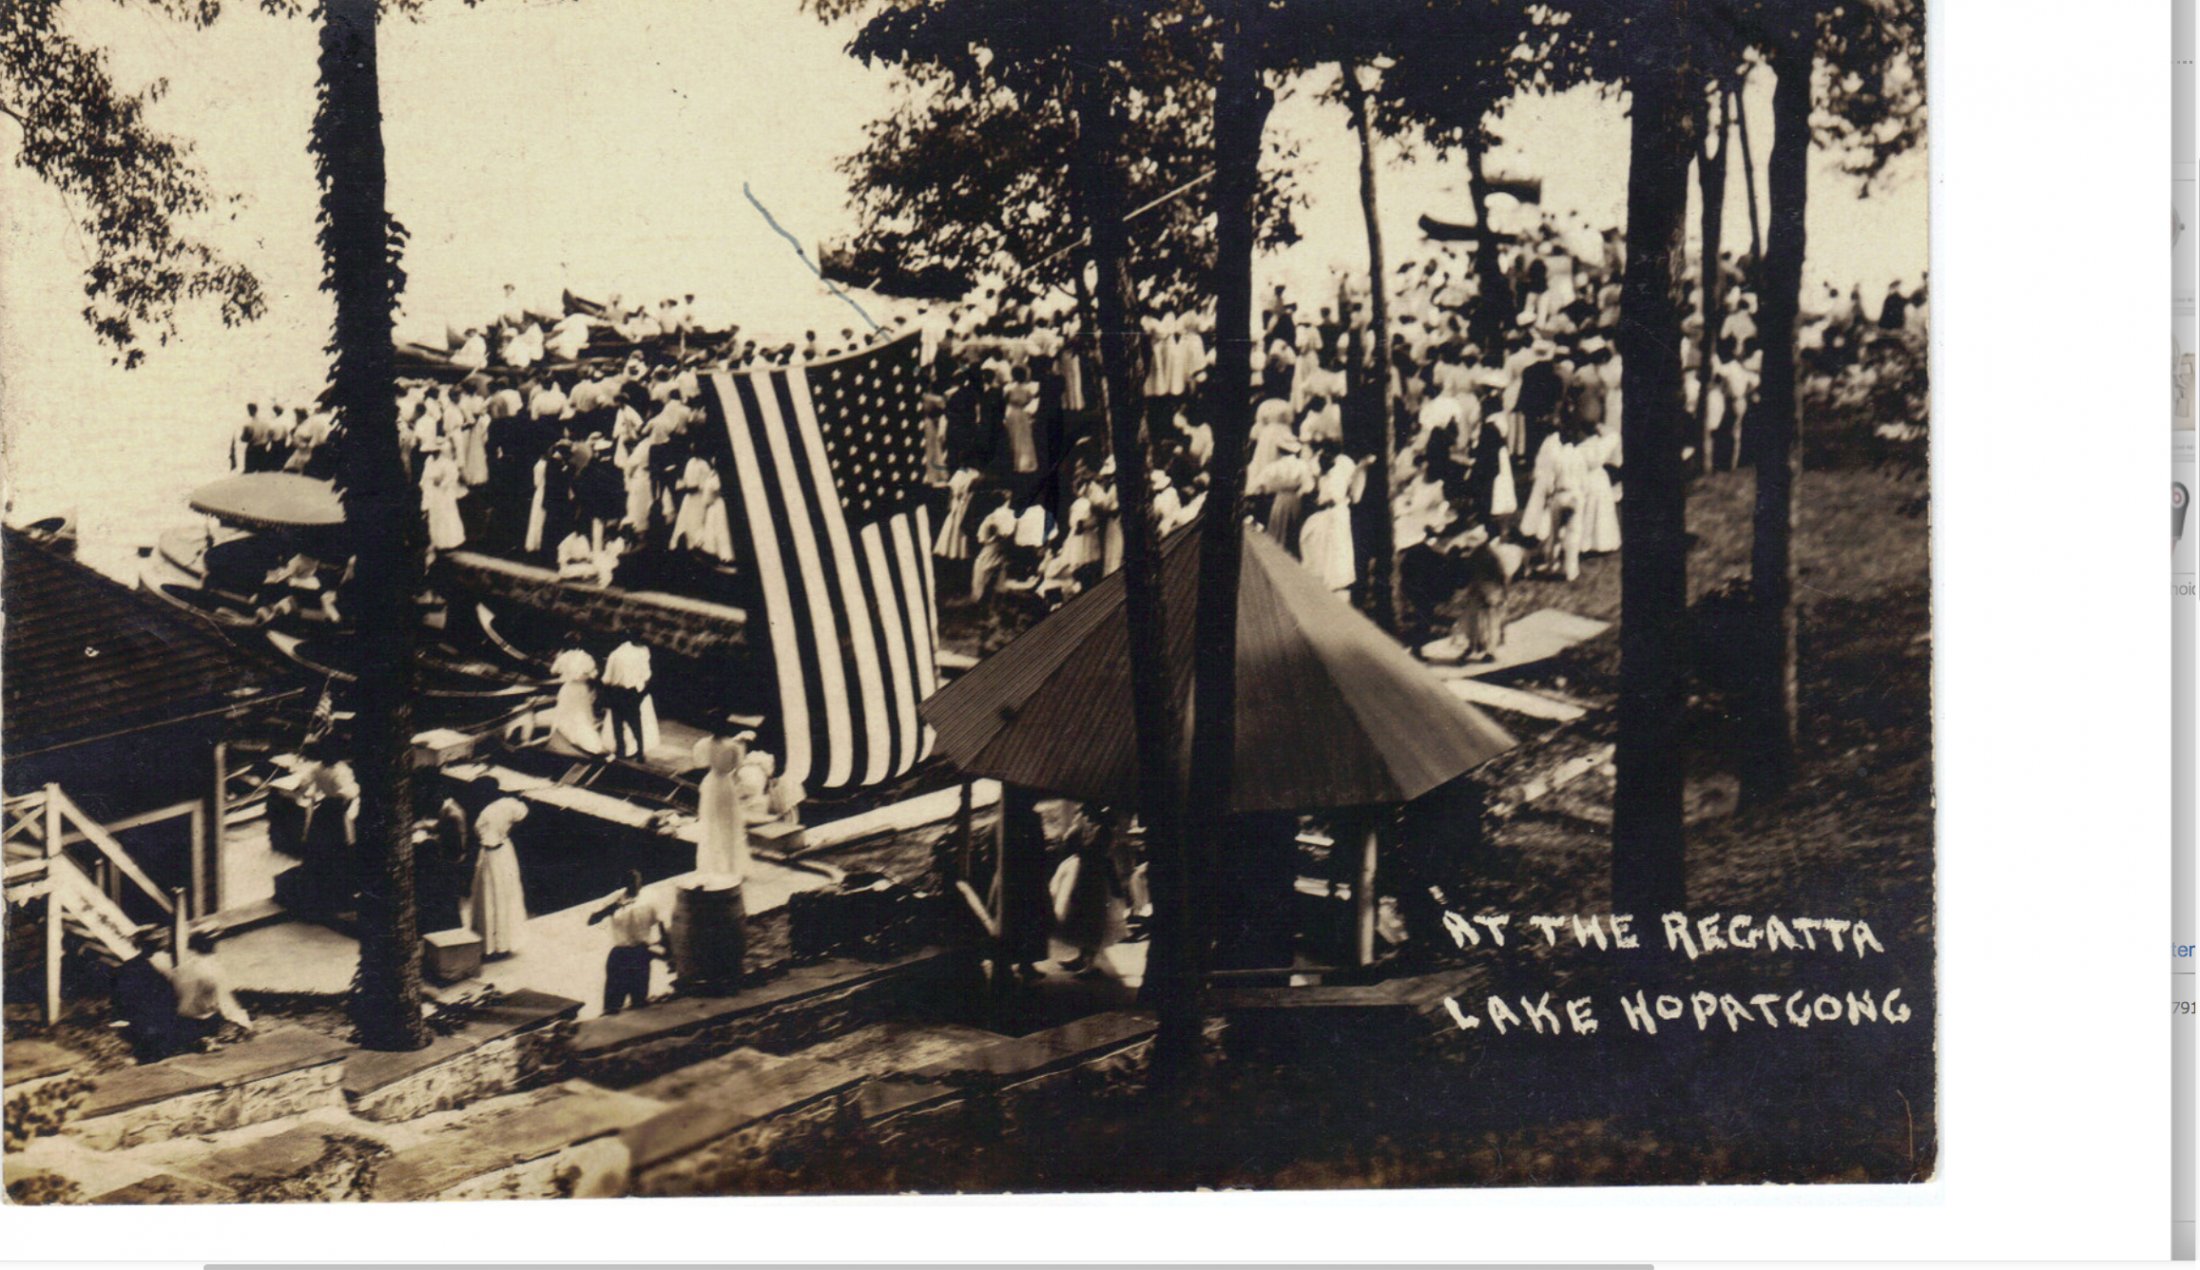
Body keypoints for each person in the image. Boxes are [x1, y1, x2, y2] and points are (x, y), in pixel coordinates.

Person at [1050, 806, 1130, 975]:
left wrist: (1075, 842)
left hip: (1094, 876)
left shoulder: (1104, 830)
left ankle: (1090, 963)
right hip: (1086, 873)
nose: (1084, 816)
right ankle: (1082, 956)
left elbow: (1095, 851)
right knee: (1081, 916)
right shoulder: (1093, 828)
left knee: (1093, 918)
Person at [588, 871, 663, 1016]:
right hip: (620, 953)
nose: (634, 886)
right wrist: (611, 908)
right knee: (612, 1005)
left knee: (639, 1001)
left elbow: (659, 922)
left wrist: (666, 946)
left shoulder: (649, 898)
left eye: (636, 883)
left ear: (640, 883)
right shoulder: (615, 898)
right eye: (630, 883)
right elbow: (591, 920)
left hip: (641, 953)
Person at [469, 794, 530, 957]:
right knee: (499, 896)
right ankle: (498, 942)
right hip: (498, 855)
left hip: (493, 855)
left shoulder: (492, 810)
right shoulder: (509, 809)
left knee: (493, 896)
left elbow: (479, 830)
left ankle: (493, 942)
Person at [169, 932, 253, 1047]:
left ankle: (201, 1038)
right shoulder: (212, 968)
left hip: (182, 1019)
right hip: (207, 1019)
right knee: (241, 1028)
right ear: (213, 946)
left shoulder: (182, 968)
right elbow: (224, 1001)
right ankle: (210, 1036)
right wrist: (243, 1022)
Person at [1296, 444, 1360, 592]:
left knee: (1338, 551)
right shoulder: (1317, 460)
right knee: (1316, 544)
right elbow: (1311, 486)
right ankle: (1322, 584)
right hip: (1326, 512)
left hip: (1338, 512)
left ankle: (1338, 585)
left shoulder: (1345, 463)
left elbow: (1352, 491)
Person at [112, 929, 182, 1063]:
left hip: (143, 1025)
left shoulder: (127, 967)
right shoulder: (166, 964)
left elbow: (120, 999)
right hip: (161, 1023)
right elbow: (175, 993)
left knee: (148, 1059)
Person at [691, 734, 752, 881]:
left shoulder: (704, 743)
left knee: (712, 824)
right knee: (728, 824)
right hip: (725, 785)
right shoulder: (732, 745)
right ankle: (730, 867)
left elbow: (699, 763)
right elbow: (738, 767)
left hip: (711, 783)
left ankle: (716, 867)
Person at [670, 454, 735, 563]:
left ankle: (724, 556)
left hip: (713, 504)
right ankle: (709, 552)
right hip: (706, 504)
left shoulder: (711, 474)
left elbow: (708, 490)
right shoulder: (707, 472)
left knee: (720, 530)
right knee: (707, 529)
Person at [549, 636, 607, 755]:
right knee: (582, 716)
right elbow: (593, 675)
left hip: (568, 688)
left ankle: (566, 736)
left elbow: (553, 671)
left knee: (564, 714)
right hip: (581, 689)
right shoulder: (587, 658)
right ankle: (592, 743)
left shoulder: (564, 657)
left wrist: (565, 672)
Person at [600, 638, 656, 760]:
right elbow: (646, 674)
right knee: (635, 722)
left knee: (618, 723)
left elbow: (606, 679)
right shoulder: (639, 654)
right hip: (631, 692)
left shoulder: (615, 654)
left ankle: (621, 750)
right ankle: (640, 752)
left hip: (617, 691)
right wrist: (640, 690)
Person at [420, 439, 467, 553]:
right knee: (435, 516)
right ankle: (437, 541)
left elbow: (453, 476)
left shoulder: (446, 463)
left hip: (444, 493)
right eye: (432, 451)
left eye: (436, 451)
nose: (433, 453)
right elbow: (425, 477)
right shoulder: (429, 461)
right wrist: (427, 484)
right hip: (433, 492)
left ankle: (451, 541)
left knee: (446, 515)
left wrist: (442, 482)